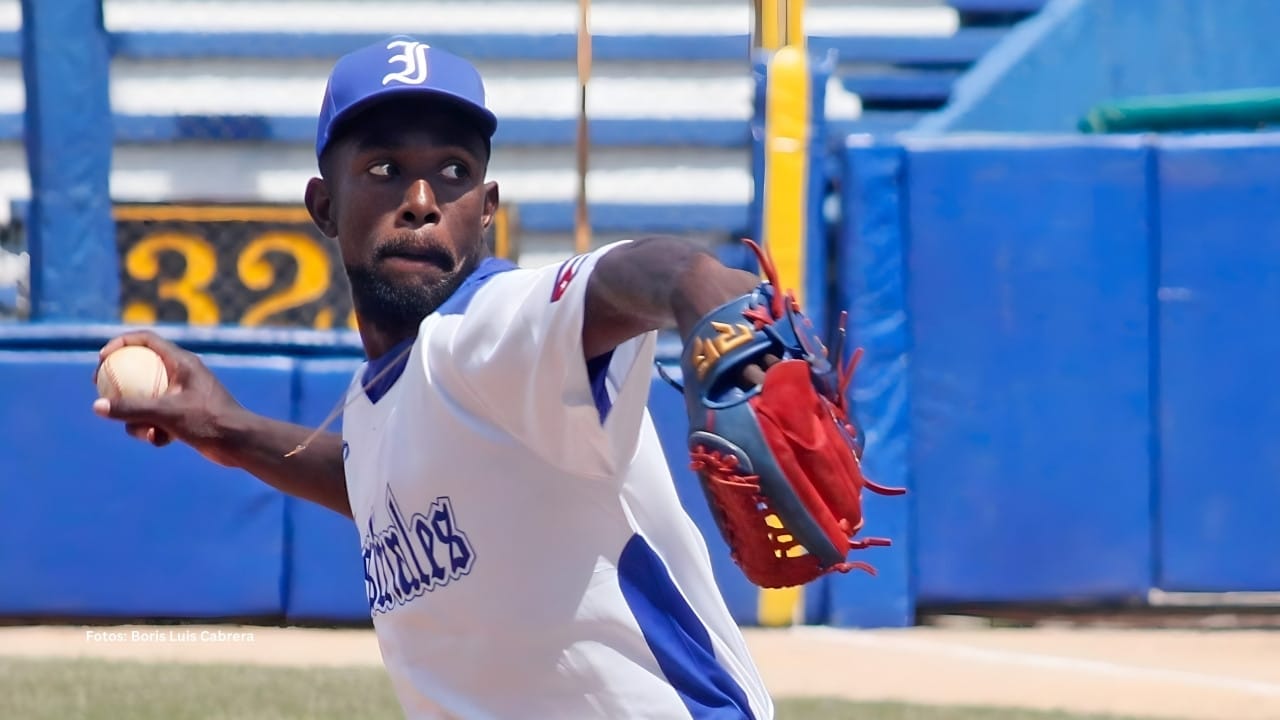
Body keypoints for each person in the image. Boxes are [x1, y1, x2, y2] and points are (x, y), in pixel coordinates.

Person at [94, 36, 774, 720]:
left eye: (453, 171)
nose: (421, 200)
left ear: (486, 208)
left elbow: (640, 271)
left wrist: (695, 285)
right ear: (324, 207)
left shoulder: (491, 329)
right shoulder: (386, 392)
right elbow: (389, 485)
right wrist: (225, 429)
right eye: (385, 168)